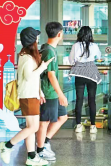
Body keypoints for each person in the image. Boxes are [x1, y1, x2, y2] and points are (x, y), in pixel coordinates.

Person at [0, 27, 54, 166]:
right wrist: (43, 67)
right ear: (32, 40)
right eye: (36, 37)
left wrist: (39, 92)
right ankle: (7, 146)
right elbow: (29, 77)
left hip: (31, 95)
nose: (37, 39)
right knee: (33, 128)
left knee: (31, 127)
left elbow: (32, 79)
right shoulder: (27, 58)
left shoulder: (26, 55)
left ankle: (31, 157)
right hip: (28, 96)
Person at [36, 22, 68, 161]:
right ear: (59, 34)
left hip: (52, 92)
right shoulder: (49, 50)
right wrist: (61, 94)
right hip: (48, 92)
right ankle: (40, 149)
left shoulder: (47, 48)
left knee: (63, 116)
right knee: (45, 121)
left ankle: (45, 142)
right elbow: (51, 74)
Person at [68, 26, 102, 134]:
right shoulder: (94, 46)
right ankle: (93, 126)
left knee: (79, 99)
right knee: (92, 100)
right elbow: (99, 57)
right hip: (91, 73)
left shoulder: (75, 45)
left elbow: (71, 60)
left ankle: (78, 125)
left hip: (79, 73)